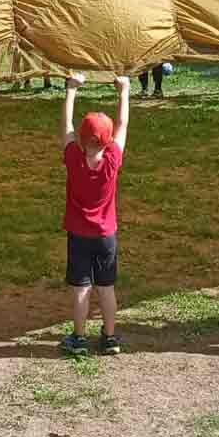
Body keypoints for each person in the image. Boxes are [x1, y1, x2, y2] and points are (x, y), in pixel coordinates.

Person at [60, 73, 131, 356]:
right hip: (106, 236)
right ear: (108, 139)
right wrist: (124, 91)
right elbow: (124, 123)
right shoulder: (113, 157)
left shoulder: (73, 157)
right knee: (106, 288)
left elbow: (65, 124)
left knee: (81, 288)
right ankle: (110, 337)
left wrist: (71, 89)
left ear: (80, 137)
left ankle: (79, 339)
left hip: (79, 234)